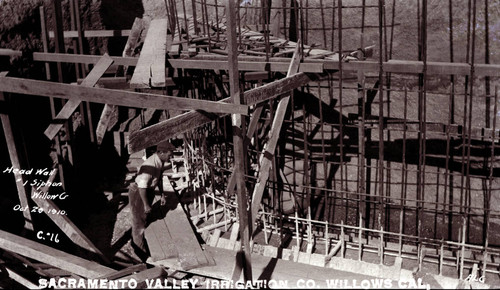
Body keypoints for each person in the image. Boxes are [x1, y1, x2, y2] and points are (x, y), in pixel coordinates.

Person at [128, 140, 175, 261]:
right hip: (138, 192)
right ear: (161, 152)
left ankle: (140, 241)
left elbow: (159, 179)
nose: (171, 157)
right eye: (170, 154)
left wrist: (162, 195)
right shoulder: (150, 165)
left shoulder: (160, 161)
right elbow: (142, 187)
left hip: (147, 190)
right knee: (138, 223)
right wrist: (146, 205)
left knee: (144, 218)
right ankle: (140, 255)